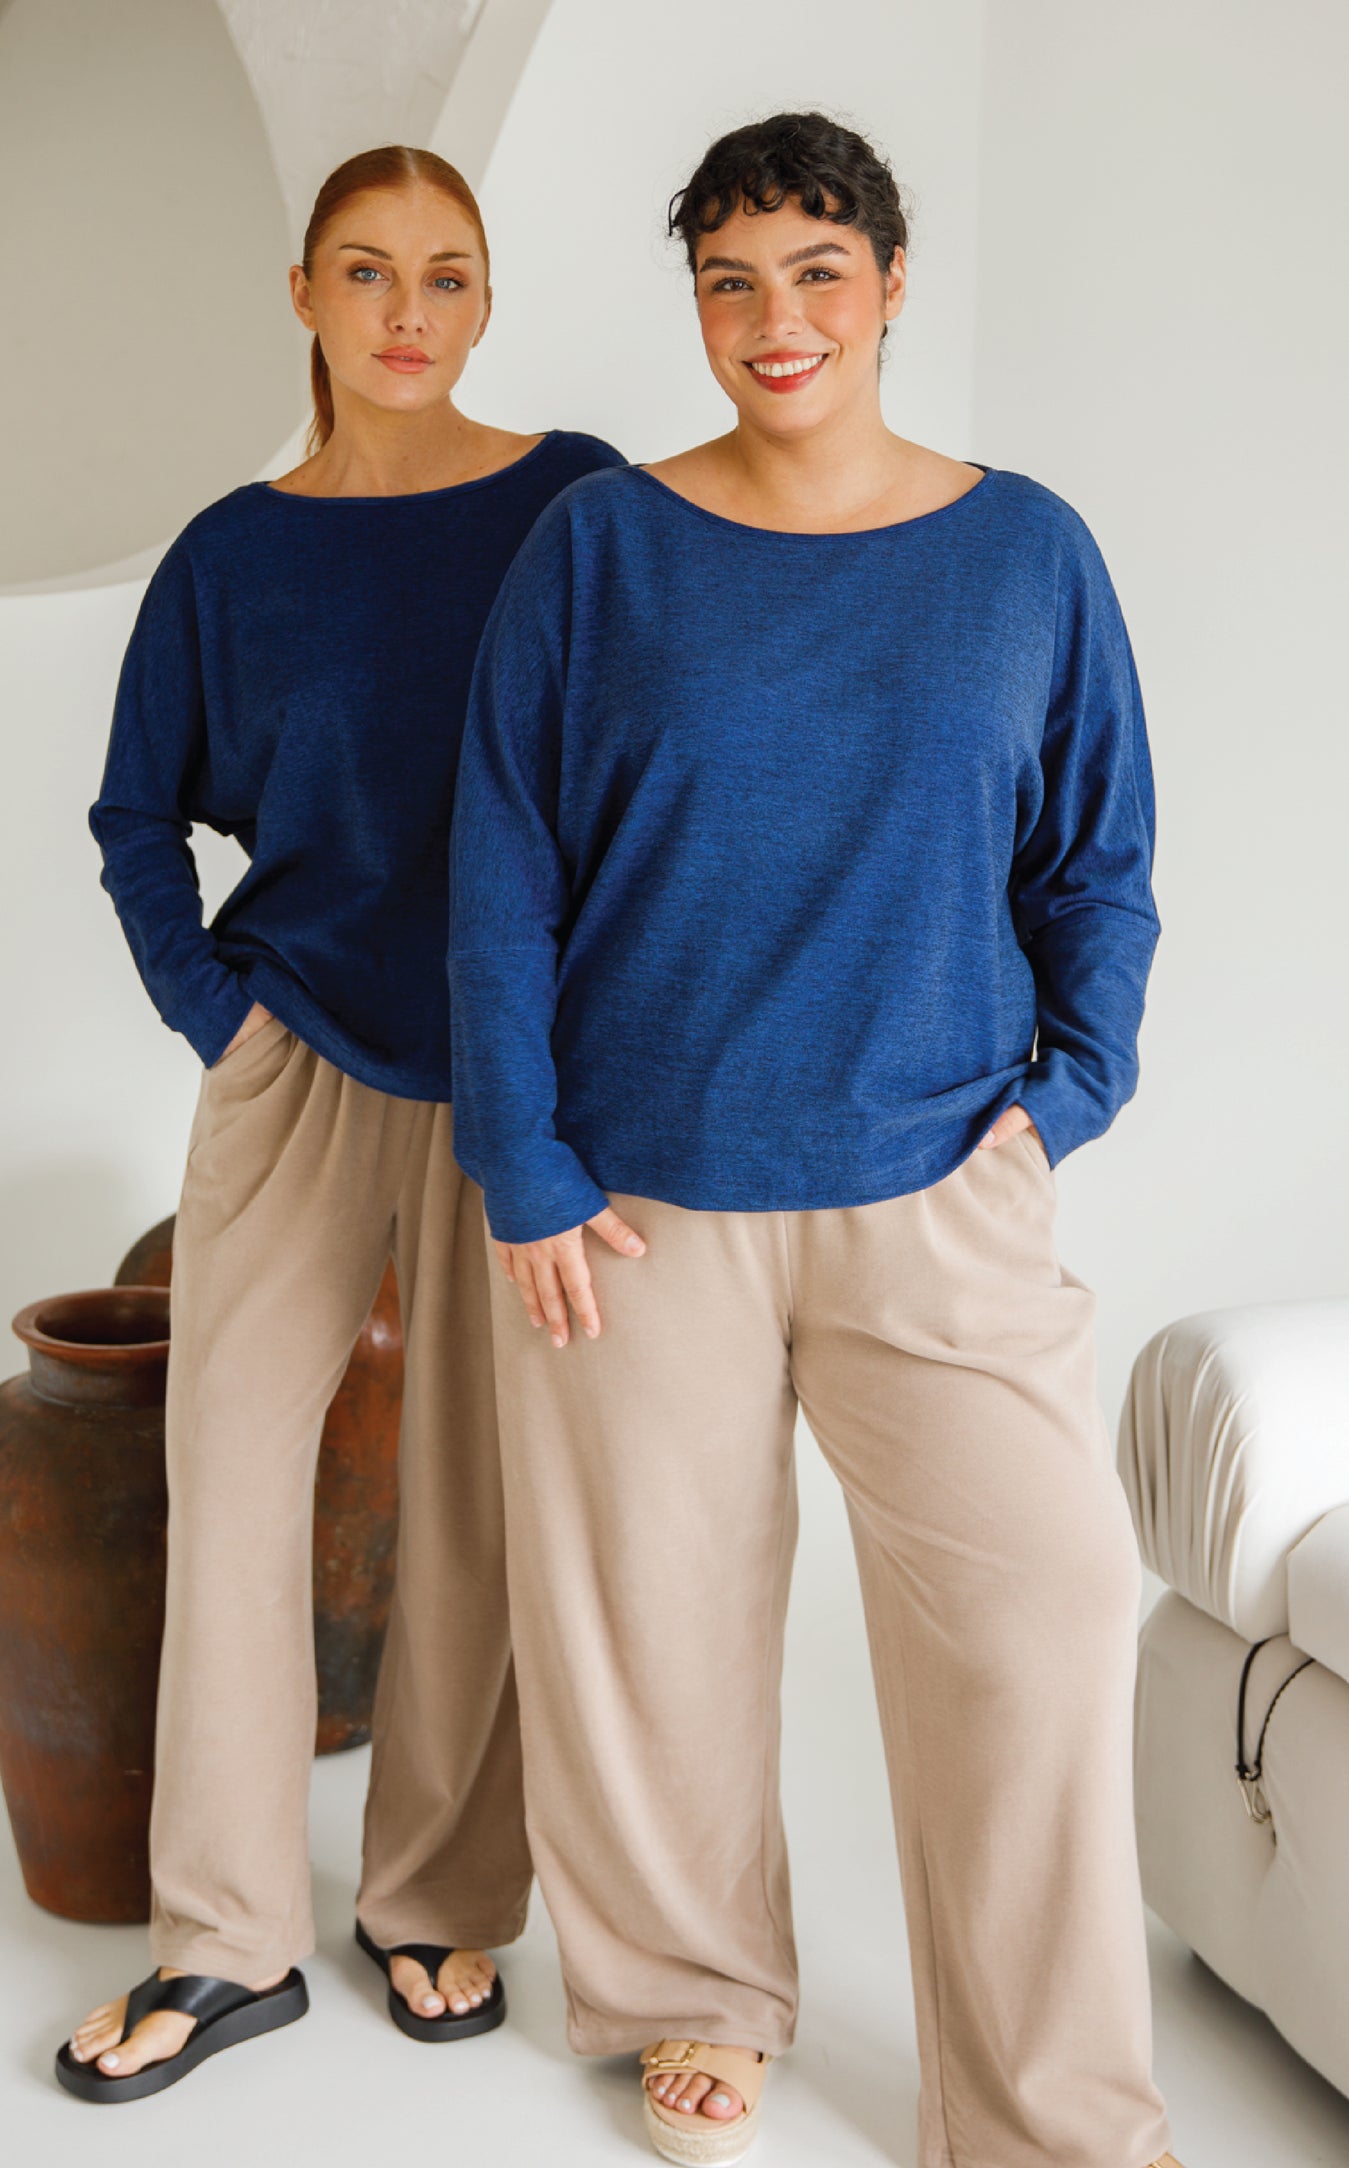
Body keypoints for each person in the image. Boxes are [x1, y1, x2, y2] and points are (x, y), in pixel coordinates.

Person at [447, 111, 1182, 2168]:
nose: (776, 319)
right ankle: (693, 1995)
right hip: (632, 1202)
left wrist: (1062, 1099)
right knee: (653, 1632)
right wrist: (522, 1159)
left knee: (1043, 1615)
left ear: (890, 284)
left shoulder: (1024, 552)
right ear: (696, 301)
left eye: (816, 272)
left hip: (936, 1185)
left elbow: (1099, 861)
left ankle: (1047, 2110)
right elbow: (499, 864)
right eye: (731, 280)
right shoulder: (599, 546)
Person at [56, 144, 624, 2103]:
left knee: (476, 1492)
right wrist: (218, 1021)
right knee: (231, 1473)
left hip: (514, 1065)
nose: (408, 311)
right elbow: (137, 814)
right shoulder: (232, 555)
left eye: (446, 274)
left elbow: (646, 766)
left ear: (487, 300)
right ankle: (223, 1939)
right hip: (294, 1049)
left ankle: (436, 1892)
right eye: (368, 271)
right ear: (303, 292)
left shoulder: (572, 506)